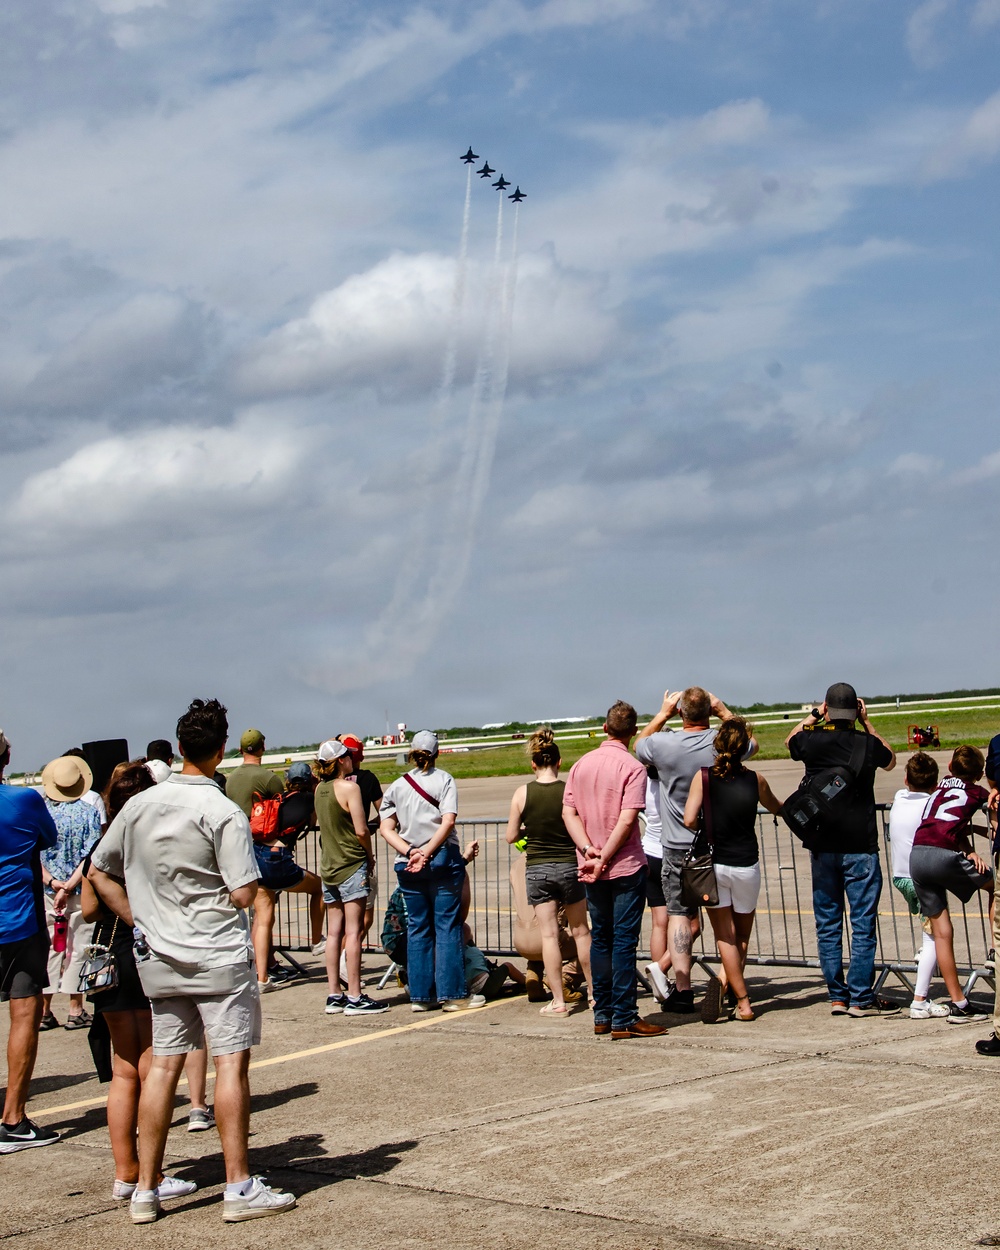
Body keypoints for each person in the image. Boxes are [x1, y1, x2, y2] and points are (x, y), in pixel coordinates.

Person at [89, 698, 295, 1225]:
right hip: (216, 954)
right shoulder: (221, 810)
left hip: (159, 957)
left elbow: (100, 871)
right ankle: (238, 1184)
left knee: (162, 1066)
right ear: (221, 750)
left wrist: (138, 918)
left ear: (180, 746)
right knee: (230, 1065)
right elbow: (244, 892)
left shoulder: (139, 806)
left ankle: (146, 1188)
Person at [80, 762, 197, 1203]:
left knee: (123, 1069)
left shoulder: (100, 848)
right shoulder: (150, 840)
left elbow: (89, 910)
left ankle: (125, 1171)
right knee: (152, 1062)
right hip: (143, 952)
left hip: (106, 956)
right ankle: (152, 1172)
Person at [785, 682, 897, 1017]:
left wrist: (814, 715)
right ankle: (860, 996)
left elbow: (790, 740)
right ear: (856, 711)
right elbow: (891, 761)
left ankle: (836, 995)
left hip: (822, 846)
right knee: (862, 923)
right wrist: (868, 723)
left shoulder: (812, 740)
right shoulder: (866, 743)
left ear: (828, 709)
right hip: (860, 845)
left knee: (828, 923)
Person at [636, 686, 750, 1013]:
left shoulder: (664, 745)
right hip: (715, 844)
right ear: (708, 712)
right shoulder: (720, 743)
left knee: (678, 916)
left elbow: (639, 745)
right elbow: (749, 743)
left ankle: (683, 990)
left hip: (675, 845)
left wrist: (662, 714)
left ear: (681, 713)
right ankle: (733, 984)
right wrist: (724, 711)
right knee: (725, 925)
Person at [563, 701, 665, 1040]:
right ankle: (624, 1016)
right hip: (623, 866)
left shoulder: (581, 764)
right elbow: (627, 819)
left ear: (605, 728)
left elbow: (568, 813)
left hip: (590, 865)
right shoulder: (632, 767)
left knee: (601, 938)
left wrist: (587, 849)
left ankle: (603, 1013)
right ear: (633, 731)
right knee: (623, 941)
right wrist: (605, 856)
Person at [683, 717, 783, 1022]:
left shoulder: (704, 777)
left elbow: (689, 819)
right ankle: (729, 985)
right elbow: (777, 806)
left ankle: (742, 1000)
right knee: (742, 935)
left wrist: (708, 825)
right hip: (746, 864)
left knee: (724, 936)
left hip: (715, 864)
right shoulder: (756, 779)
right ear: (744, 749)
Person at [378, 731, 485, 1013]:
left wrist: (409, 851)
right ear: (436, 753)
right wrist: (426, 852)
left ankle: (421, 996)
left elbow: (386, 828)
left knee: (418, 927)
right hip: (440, 858)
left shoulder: (397, 785)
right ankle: (453, 995)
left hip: (407, 862)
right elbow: (448, 821)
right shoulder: (444, 779)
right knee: (447, 926)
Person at [0, 727, 62, 1154]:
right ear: (6, 759)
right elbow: (48, 838)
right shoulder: (24, 800)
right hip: (17, 920)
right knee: (24, 1015)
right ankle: (13, 1118)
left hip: (17, 918)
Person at [505, 727, 592, 1017]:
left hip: (538, 868)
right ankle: (595, 994)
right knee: (581, 932)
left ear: (533, 764)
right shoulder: (569, 790)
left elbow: (510, 836)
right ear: (559, 762)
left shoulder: (522, 793)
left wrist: (528, 829)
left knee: (549, 936)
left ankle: (558, 1001)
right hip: (569, 864)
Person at [909, 746, 993, 1024]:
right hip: (942, 854)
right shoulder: (976, 792)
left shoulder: (941, 785)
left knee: (942, 933)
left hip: (917, 855)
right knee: (995, 886)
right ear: (979, 774)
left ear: (949, 766)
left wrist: (968, 849)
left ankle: (959, 1002)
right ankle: (995, 948)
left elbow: (950, 823)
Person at [314, 741, 385, 1016]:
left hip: (329, 865)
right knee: (353, 931)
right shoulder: (349, 788)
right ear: (341, 760)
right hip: (351, 863)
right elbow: (361, 830)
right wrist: (369, 855)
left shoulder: (319, 789)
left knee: (334, 932)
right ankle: (355, 995)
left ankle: (334, 993)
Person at [39, 755, 102, 1030]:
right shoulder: (89, 813)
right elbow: (90, 856)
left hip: (47, 890)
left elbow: (33, 854)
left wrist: (54, 883)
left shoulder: (41, 813)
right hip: (79, 889)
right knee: (79, 947)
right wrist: (69, 884)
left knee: (50, 947)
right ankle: (75, 1009)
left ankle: (44, 1010)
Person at [251, 761, 325, 992]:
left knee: (263, 919)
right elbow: (311, 823)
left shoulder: (279, 798)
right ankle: (316, 940)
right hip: (278, 859)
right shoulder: (309, 799)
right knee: (319, 888)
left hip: (257, 855)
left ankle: (261, 977)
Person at [887, 753, 947, 1019]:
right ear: (934, 784)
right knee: (935, 936)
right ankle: (919, 1000)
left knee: (930, 930)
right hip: (921, 877)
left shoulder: (900, 797)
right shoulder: (932, 804)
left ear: (906, 780)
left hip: (901, 876)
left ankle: (926, 958)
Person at [338, 734, 383, 976]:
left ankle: (340, 965)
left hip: (333, 854)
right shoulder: (367, 779)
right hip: (357, 854)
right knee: (363, 919)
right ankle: (345, 965)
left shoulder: (328, 784)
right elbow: (384, 811)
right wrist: (370, 827)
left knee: (340, 921)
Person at [640, 764, 672, 1003]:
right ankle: (661, 970)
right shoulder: (674, 781)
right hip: (671, 853)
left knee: (659, 923)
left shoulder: (646, 784)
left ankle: (659, 986)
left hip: (649, 851)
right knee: (691, 924)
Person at [225, 729, 283, 819]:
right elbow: (282, 811)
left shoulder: (230, 779)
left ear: (240, 750)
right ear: (263, 747)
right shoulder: (270, 778)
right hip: (260, 827)